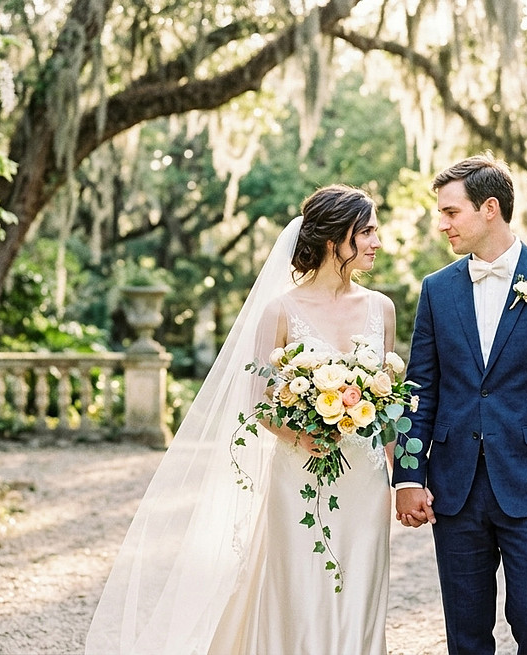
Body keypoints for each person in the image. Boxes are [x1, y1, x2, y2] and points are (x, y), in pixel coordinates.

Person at [87, 184, 398, 654]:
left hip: (366, 479)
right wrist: (302, 429)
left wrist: (406, 480)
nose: (377, 242)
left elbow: (388, 405)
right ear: (336, 238)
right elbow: (259, 401)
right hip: (301, 472)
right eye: (368, 232)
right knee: (298, 587)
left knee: (361, 587)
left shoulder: (381, 308)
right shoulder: (280, 310)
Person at [392, 153, 527, 655]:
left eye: (450, 212)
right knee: (465, 633)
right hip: (455, 487)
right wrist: (409, 475)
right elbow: (421, 388)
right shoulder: (436, 290)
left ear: (489, 208)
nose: (441, 224)